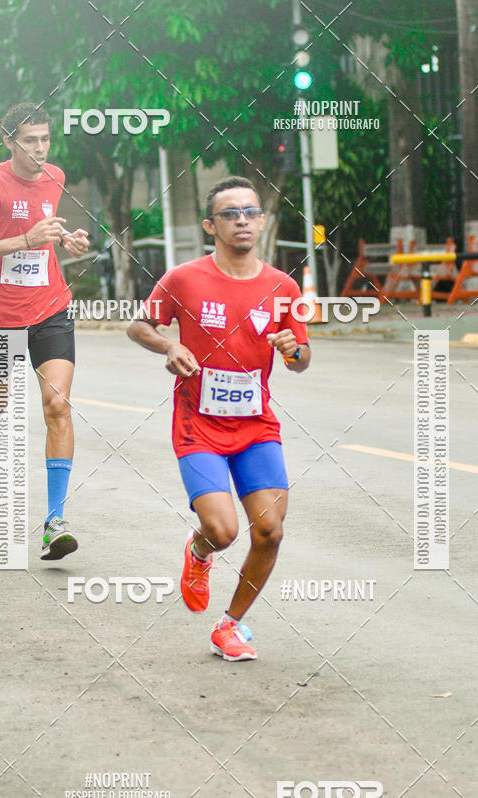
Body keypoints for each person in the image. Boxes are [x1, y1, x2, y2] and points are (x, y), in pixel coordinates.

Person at [128, 176, 311, 661]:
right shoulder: (184, 278)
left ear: (262, 220)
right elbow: (138, 325)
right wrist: (169, 345)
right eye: (230, 213)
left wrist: (293, 350)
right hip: (199, 426)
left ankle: (230, 626)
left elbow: (301, 358)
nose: (242, 221)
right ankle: (200, 550)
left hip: (256, 426)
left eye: (250, 212)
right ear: (211, 226)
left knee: (270, 531)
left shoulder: (283, 286)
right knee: (225, 531)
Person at [0, 102, 90, 560]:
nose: (39, 149)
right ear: (8, 141)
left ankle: (54, 522)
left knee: (57, 405)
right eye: (29, 141)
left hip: (49, 309)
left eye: (45, 139)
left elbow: (38, 228)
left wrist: (63, 240)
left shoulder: (55, 176)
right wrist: (26, 240)